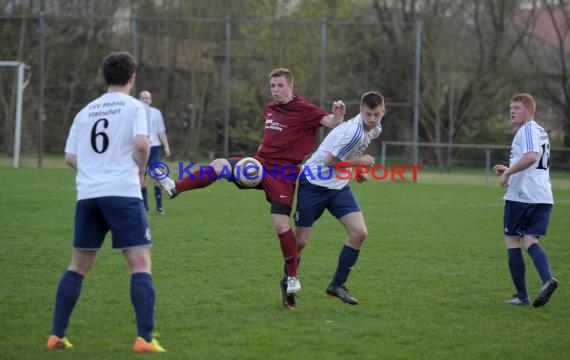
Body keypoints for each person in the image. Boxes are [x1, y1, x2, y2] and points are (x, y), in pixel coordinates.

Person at [155, 68, 345, 309]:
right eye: (272, 86)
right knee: (219, 165)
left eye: (279, 85)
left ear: (291, 87)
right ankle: (175, 187)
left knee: (280, 224)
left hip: (283, 173)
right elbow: (269, 139)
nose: (275, 90)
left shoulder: (304, 109)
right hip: (259, 164)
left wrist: (337, 115)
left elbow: (330, 121)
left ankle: (292, 279)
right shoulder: (270, 109)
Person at [46, 51, 166, 352]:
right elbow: (141, 143)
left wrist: (94, 170)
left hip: (88, 195)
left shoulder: (85, 111)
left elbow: (70, 157)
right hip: (123, 193)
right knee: (140, 263)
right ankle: (145, 339)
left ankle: (56, 335)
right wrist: (140, 170)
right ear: (132, 77)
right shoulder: (135, 106)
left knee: (78, 265)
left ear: (105, 76)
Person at [289, 91, 385, 307]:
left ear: (382, 112)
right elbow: (329, 161)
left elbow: (353, 151)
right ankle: (288, 282)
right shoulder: (352, 132)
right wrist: (359, 163)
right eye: (368, 114)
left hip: (338, 188)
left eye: (376, 115)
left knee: (359, 233)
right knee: (301, 241)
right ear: (361, 111)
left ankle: (336, 286)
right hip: (313, 185)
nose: (372, 119)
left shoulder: (376, 129)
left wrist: (358, 169)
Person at [492, 93, 558, 308]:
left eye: (517, 107)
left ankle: (522, 296)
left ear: (529, 110)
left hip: (522, 197)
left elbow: (531, 156)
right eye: (511, 107)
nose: (512, 111)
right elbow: (532, 162)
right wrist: (510, 170)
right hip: (542, 196)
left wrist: (507, 173)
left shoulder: (528, 129)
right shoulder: (540, 130)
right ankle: (547, 280)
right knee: (531, 241)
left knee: (512, 241)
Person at [139, 90, 171, 214]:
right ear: (139, 99)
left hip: (155, 147)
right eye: (143, 98)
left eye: (147, 98)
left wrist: (166, 146)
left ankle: (159, 206)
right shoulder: (135, 113)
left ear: (151, 100)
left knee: (156, 174)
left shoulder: (156, 113)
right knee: (142, 176)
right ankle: (145, 207)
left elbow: (161, 131)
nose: (145, 100)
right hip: (141, 148)